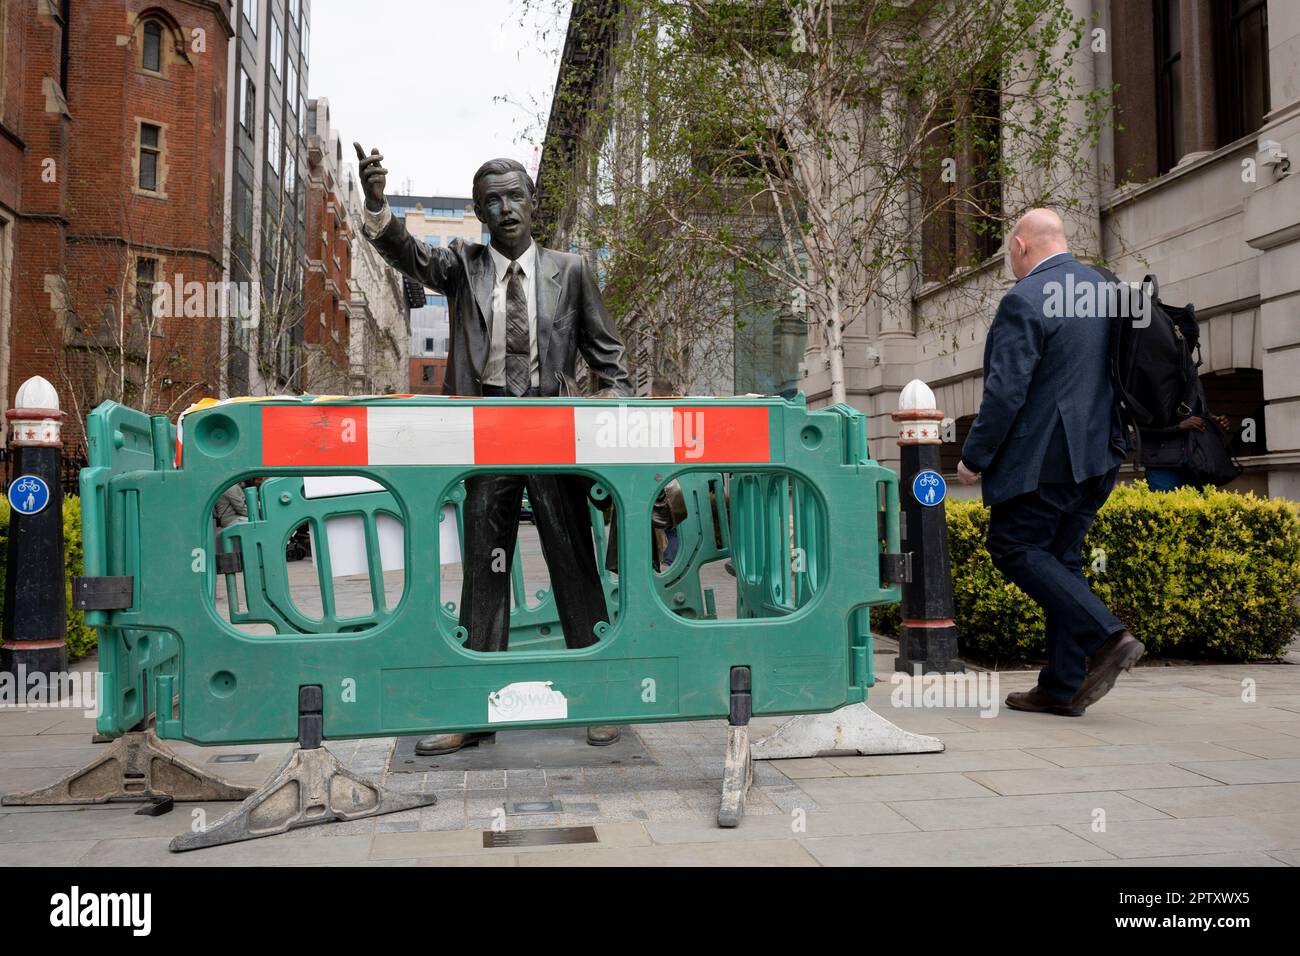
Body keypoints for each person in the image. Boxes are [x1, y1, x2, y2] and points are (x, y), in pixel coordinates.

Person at [356, 145, 630, 754]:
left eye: (515, 197)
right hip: (486, 437)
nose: (505, 209)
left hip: (554, 437)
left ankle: (600, 699)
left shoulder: (572, 270)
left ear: (533, 203)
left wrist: (619, 431)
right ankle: (475, 709)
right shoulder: (463, 264)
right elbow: (412, 255)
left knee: (574, 566)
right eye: (492, 201)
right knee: (485, 573)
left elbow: (609, 361)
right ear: (479, 211)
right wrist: (378, 206)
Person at [957, 208, 1144, 716]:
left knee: (1013, 545)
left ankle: (1109, 637)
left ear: (1020, 246)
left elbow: (1005, 391)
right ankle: (1062, 686)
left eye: (1008, 254)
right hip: (1101, 455)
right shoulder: (1105, 289)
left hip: (1047, 459)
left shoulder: (1025, 298)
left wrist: (974, 456)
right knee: (1062, 559)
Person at [1136, 314, 1231, 490]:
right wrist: (1180, 426)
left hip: (1196, 463)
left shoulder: (1192, 376)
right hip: (1163, 465)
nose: (1189, 348)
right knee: (1165, 516)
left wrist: (1212, 420)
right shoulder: (1151, 376)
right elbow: (1139, 428)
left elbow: (1199, 412)